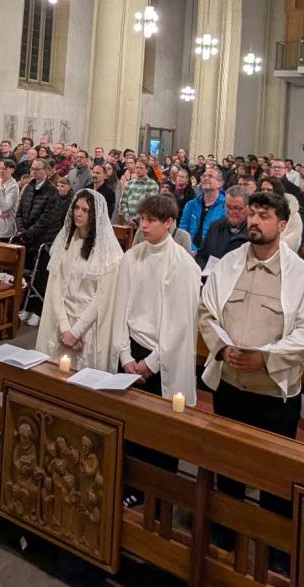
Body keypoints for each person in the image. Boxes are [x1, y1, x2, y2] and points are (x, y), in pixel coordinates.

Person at [199, 191, 304, 531]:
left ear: (282, 225)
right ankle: (224, 534)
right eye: (252, 214)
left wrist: (267, 361)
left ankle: (271, 543)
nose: (254, 221)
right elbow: (206, 311)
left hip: (273, 394)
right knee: (228, 469)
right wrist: (222, 349)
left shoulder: (300, 275)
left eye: (264, 215)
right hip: (230, 386)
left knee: (274, 477)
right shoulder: (229, 263)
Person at [110, 194, 201, 504]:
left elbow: (181, 323)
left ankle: (156, 497)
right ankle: (128, 485)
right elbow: (119, 309)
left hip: (162, 359)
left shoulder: (183, 264)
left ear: (169, 223)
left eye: (151, 220)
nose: (143, 225)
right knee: (129, 426)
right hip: (131, 351)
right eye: (142, 219)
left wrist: (150, 364)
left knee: (159, 434)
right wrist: (124, 356)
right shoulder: (131, 257)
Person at [35, 189, 123, 371]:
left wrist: (76, 332)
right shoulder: (65, 243)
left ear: (95, 215)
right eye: (76, 208)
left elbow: (103, 297)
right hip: (62, 322)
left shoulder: (109, 252)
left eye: (85, 210)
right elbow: (55, 286)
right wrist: (65, 327)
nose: (79, 213)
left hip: (88, 328)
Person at [196, 185, 250, 271]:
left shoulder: (253, 233)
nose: (231, 212)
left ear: (248, 208)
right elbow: (201, 256)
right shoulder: (215, 227)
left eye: (236, 208)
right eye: (228, 207)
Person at [179, 167, 226, 254]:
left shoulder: (226, 207)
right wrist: (191, 249)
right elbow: (183, 229)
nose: (206, 178)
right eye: (204, 176)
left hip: (213, 254)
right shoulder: (191, 205)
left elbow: (224, 236)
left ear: (220, 183)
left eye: (210, 176)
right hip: (189, 252)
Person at [259, 176, 302, 251]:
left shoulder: (293, 215)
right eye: (263, 189)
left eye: (269, 190)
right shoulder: (256, 212)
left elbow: (293, 242)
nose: (265, 193)